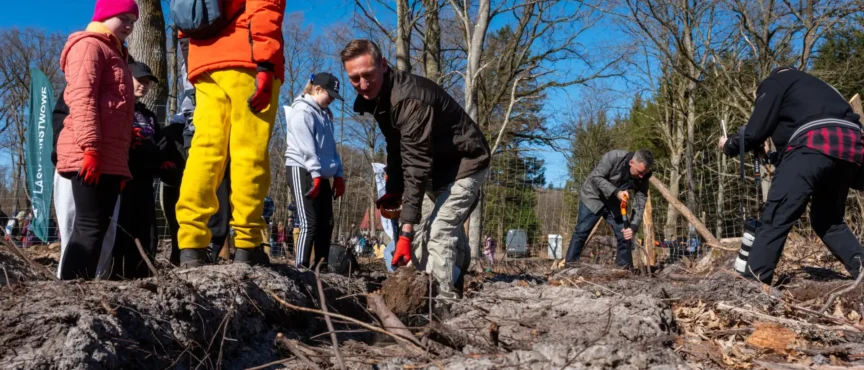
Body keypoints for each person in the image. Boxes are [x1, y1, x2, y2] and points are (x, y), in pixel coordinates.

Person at [342, 40, 491, 300]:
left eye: (368, 75)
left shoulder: (410, 99)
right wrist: (392, 192)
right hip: (434, 168)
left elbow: (416, 163)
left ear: (384, 65)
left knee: (440, 230)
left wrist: (405, 232)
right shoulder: (377, 98)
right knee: (423, 232)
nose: (363, 85)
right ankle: (448, 279)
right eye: (355, 79)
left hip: (464, 163)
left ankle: (441, 303)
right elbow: (395, 147)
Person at [720, 67, 864, 284]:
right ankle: (861, 269)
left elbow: (754, 132)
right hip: (850, 148)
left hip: (813, 143)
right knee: (828, 220)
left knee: (776, 215)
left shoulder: (775, 82)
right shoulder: (820, 88)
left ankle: (753, 285)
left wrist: (730, 145)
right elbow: (799, 160)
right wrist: (773, 156)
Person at [175, 0, 285, 267]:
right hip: (247, 59)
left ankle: (191, 244)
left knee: (204, 151)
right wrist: (266, 65)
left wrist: (191, 56)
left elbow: (183, 15)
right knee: (249, 153)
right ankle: (248, 244)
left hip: (203, 61)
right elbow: (265, 7)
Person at [56, 0, 138, 280]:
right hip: (89, 151)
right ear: (105, 15)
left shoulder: (117, 53)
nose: (128, 25)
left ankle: (84, 290)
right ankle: (71, 293)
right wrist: (90, 147)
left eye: (133, 21)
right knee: (89, 227)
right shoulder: (89, 46)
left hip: (109, 155)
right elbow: (82, 98)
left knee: (100, 227)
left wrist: (121, 161)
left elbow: (117, 112)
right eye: (123, 18)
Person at [52, 89, 121, 278]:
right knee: (80, 228)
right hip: (78, 161)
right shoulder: (86, 75)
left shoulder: (117, 95)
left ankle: (96, 282)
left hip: (108, 164)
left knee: (101, 230)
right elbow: (80, 108)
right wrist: (89, 149)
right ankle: (70, 287)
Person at [110, 61, 168, 279]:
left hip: (145, 181)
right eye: (139, 81)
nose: (144, 86)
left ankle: (144, 275)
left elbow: (159, 143)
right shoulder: (117, 107)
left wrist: (161, 160)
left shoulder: (149, 116)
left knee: (147, 230)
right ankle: (115, 274)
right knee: (121, 227)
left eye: (147, 82)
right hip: (121, 179)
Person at [285, 73, 345, 268]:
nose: (331, 100)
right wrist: (315, 174)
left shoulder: (325, 114)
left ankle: (321, 266)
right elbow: (306, 146)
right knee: (308, 222)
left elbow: (331, 148)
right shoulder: (302, 111)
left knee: (327, 222)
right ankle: (300, 268)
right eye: (330, 95)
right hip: (302, 168)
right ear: (317, 89)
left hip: (321, 173)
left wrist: (338, 174)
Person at [564, 149, 654, 269]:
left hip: (614, 203)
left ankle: (624, 269)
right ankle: (570, 266)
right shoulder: (613, 157)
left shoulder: (643, 176)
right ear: (632, 162)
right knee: (581, 231)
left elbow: (640, 201)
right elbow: (596, 178)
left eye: (644, 173)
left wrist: (633, 226)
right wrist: (616, 192)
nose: (641, 176)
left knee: (624, 234)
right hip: (593, 197)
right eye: (639, 172)